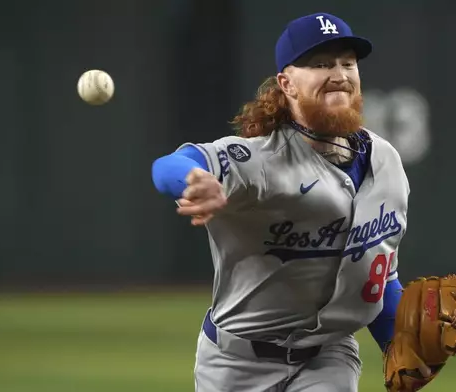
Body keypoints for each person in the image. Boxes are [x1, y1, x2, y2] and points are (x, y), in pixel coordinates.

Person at [152, 12, 409, 392]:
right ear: (287, 84)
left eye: (347, 62)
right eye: (321, 63)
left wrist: (397, 342)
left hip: (328, 357)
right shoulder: (260, 160)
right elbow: (169, 165)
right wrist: (192, 180)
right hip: (234, 362)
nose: (338, 73)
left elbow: (377, 273)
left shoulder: (385, 161)